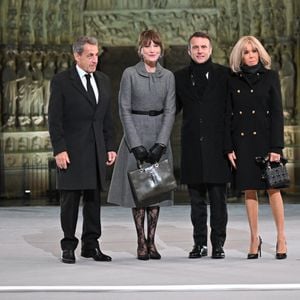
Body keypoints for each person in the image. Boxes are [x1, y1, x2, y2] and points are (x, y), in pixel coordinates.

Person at [107, 29, 176, 260]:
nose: (152, 49)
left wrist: (161, 143)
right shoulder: (129, 74)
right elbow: (123, 109)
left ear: (161, 48)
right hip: (135, 134)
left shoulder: (167, 76)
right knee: (139, 193)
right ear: (140, 49)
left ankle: (152, 241)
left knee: (154, 192)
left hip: (159, 136)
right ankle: (140, 242)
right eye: (148, 45)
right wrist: (135, 144)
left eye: (156, 45)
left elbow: (170, 111)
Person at [48, 36, 117, 264]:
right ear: (77, 55)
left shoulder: (104, 80)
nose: (94, 59)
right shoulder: (61, 81)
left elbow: (107, 117)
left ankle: (91, 245)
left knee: (93, 201)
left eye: (96, 54)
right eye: (89, 55)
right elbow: (54, 119)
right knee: (70, 202)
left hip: (97, 149)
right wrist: (59, 149)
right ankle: (68, 245)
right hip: (71, 152)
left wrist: (110, 146)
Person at [225, 36, 287, 259]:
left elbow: (277, 114)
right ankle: (254, 238)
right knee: (249, 190)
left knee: (274, 188)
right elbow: (227, 116)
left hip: (266, 141)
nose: (250, 55)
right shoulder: (232, 79)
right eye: (245, 52)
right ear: (239, 55)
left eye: (253, 51)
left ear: (259, 53)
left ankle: (281, 237)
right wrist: (229, 146)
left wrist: (276, 147)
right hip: (242, 142)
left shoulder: (270, 77)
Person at [174, 32, 231, 259]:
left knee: (219, 201)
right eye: (195, 47)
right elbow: (172, 110)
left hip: (217, 148)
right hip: (192, 148)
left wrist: (230, 145)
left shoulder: (224, 75)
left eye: (203, 46)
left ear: (210, 49)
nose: (199, 50)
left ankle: (218, 244)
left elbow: (230, 113)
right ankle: (200, 244)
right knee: (196, 202)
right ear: (189, 51)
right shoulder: (179, 77)